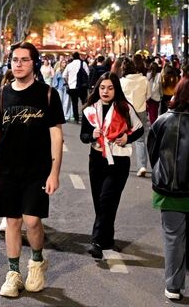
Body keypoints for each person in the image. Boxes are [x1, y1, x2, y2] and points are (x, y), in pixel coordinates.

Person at [0, 41, 64, 298]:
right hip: (6, 171)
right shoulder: (0, 95)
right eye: (14, 60)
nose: (18, 64)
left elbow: (56, 137)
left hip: (37, 171)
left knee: (32, 221)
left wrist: (54, 172)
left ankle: (37, 262)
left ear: (34, 63)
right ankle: (13, 273)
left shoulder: (48, 94)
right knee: (13, 222)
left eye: (24, 60)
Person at [80, 72, 143, 259]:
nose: (105, 91)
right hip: (97, 159)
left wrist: (127, 137)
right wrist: (92, 135)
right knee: (101, 203)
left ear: (116, 89)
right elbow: (83, 136)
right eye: (102, 88)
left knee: (107, 200)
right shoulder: (90, 109)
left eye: (110, 88)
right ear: (97, 89)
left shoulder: (124, 108)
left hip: (119, 161)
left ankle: (97, 242)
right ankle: (107, 238)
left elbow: (139, 129)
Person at [147, 76, 189, 301]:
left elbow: (153, 153)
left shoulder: (163, 121)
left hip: (169, 190)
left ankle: (173, 286)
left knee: (173, 238)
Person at [119, 58, 151, 177]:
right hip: (141, 111)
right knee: (140, 140)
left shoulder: (122, 81)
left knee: (122, 137)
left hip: (125, 112)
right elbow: (148, 95)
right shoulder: (143, 79)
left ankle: (120, 164)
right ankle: (142, 166)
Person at [62, 52, 90, 123]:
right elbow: (88, 73)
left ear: (73, 57)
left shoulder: (69, 65)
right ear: (79, 56)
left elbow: (64, 75)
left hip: (72, 87)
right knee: (84, 102)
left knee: (74, 103)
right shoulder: (83, 63)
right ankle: (85, 117)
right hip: (82, 86)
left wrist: (68, 83)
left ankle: (76, 118)